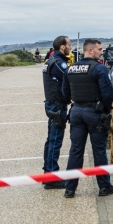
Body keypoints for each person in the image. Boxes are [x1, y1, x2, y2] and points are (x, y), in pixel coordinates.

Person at [62, 39, 113, 198]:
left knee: (75, 151)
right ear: (90, 51)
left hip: (76, 111)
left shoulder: (71, 69)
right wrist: (105, 110)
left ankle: (70, 189)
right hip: (94, 112)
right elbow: (107, 94)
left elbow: (65, 92)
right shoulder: (99, 68)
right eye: (99, 49)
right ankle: (104, 186)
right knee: (99, 151)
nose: (102, 52)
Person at [41, 36, 72, 188]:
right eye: (69, 45)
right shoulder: (59, 63)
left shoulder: (50, 61)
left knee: (51, 139)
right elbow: (69, 79)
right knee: (55, 140)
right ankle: (52, 176)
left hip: (52, 104)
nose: (70, 48)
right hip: (57, 105)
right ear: (62, 47)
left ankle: (47, 173)